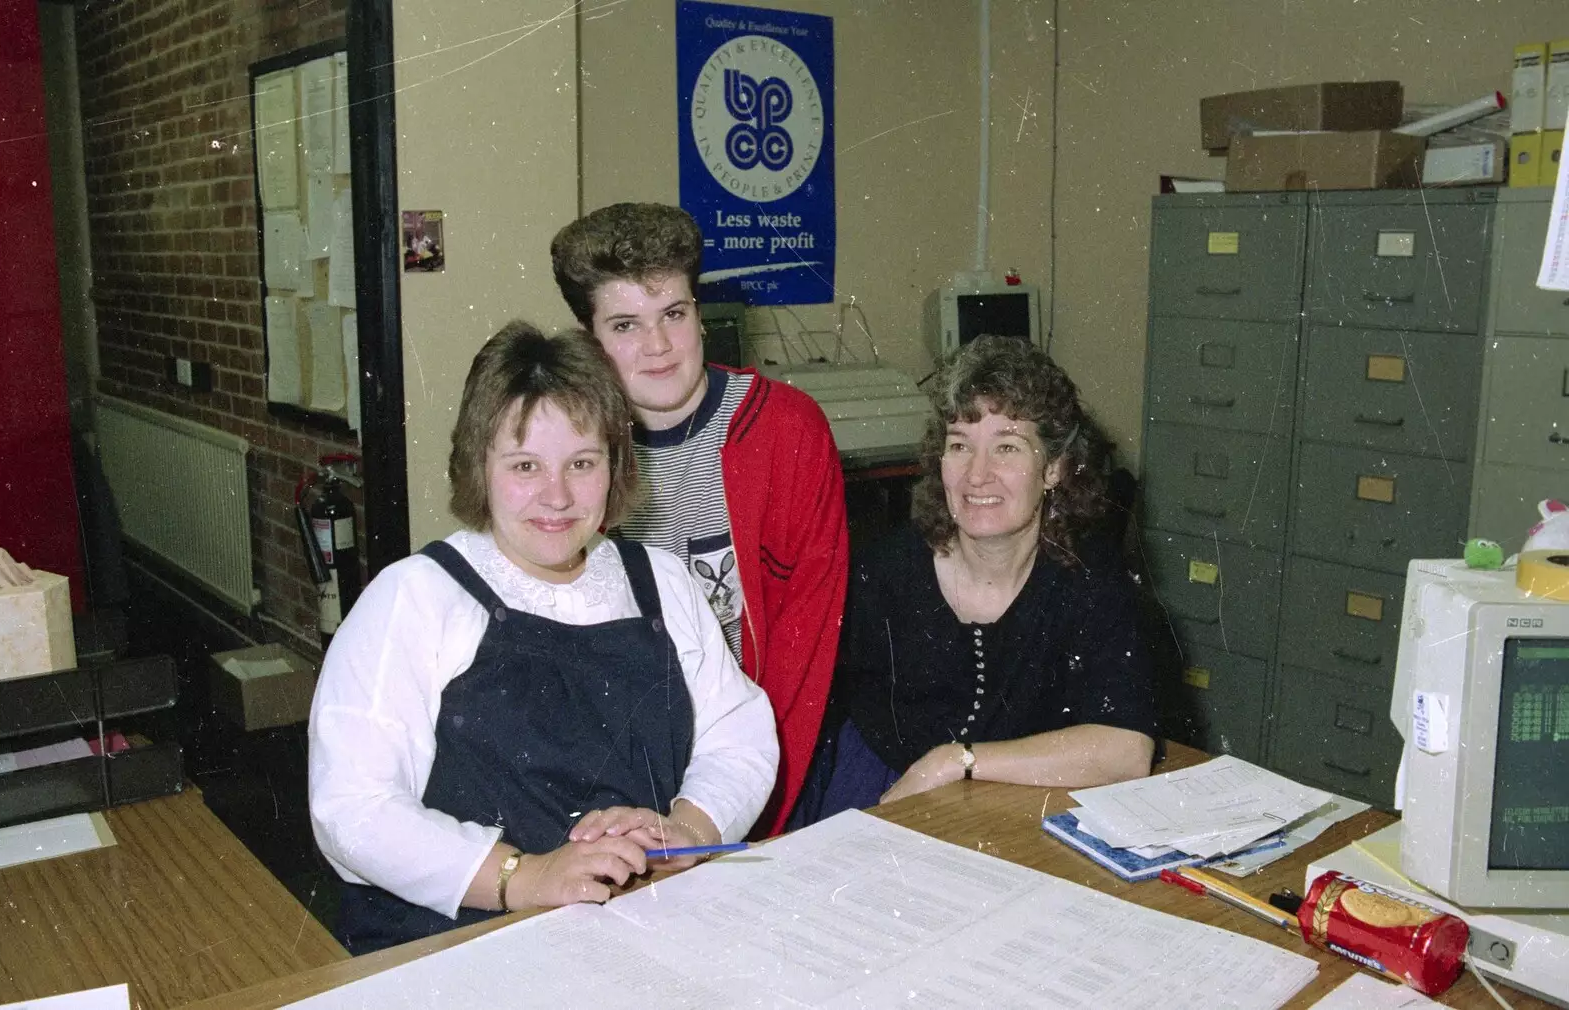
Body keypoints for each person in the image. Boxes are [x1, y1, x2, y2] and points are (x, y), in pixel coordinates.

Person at [308, 321, 778, 955]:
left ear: (615, 467)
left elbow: (740, 729)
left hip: (636, 935)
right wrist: (524, 876)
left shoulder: (659, 581)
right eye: (525, 465)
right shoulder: (413, 598)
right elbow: (352, 810)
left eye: (582, 463)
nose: (556, 496)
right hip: (460, 947)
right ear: (480, 465)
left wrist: (685, 830)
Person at [550, 203, 847, 835]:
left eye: (674, 315)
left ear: (700, 316)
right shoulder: (571, 454)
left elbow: (806, 647)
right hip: (624, 780)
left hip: (758, 770)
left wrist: (745, 811)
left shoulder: (787, 430)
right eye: (626, 324)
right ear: (590, 339)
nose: (657, 346)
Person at [797, 335, 1154, 821]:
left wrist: (958, 760)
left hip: (1015, 797)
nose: (977, 475)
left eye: (1006, 447)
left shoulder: (1089, 580)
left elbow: (1127, 750)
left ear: (1052, 468)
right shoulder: (883, 572)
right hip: (883, 794)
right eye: (960, 446)